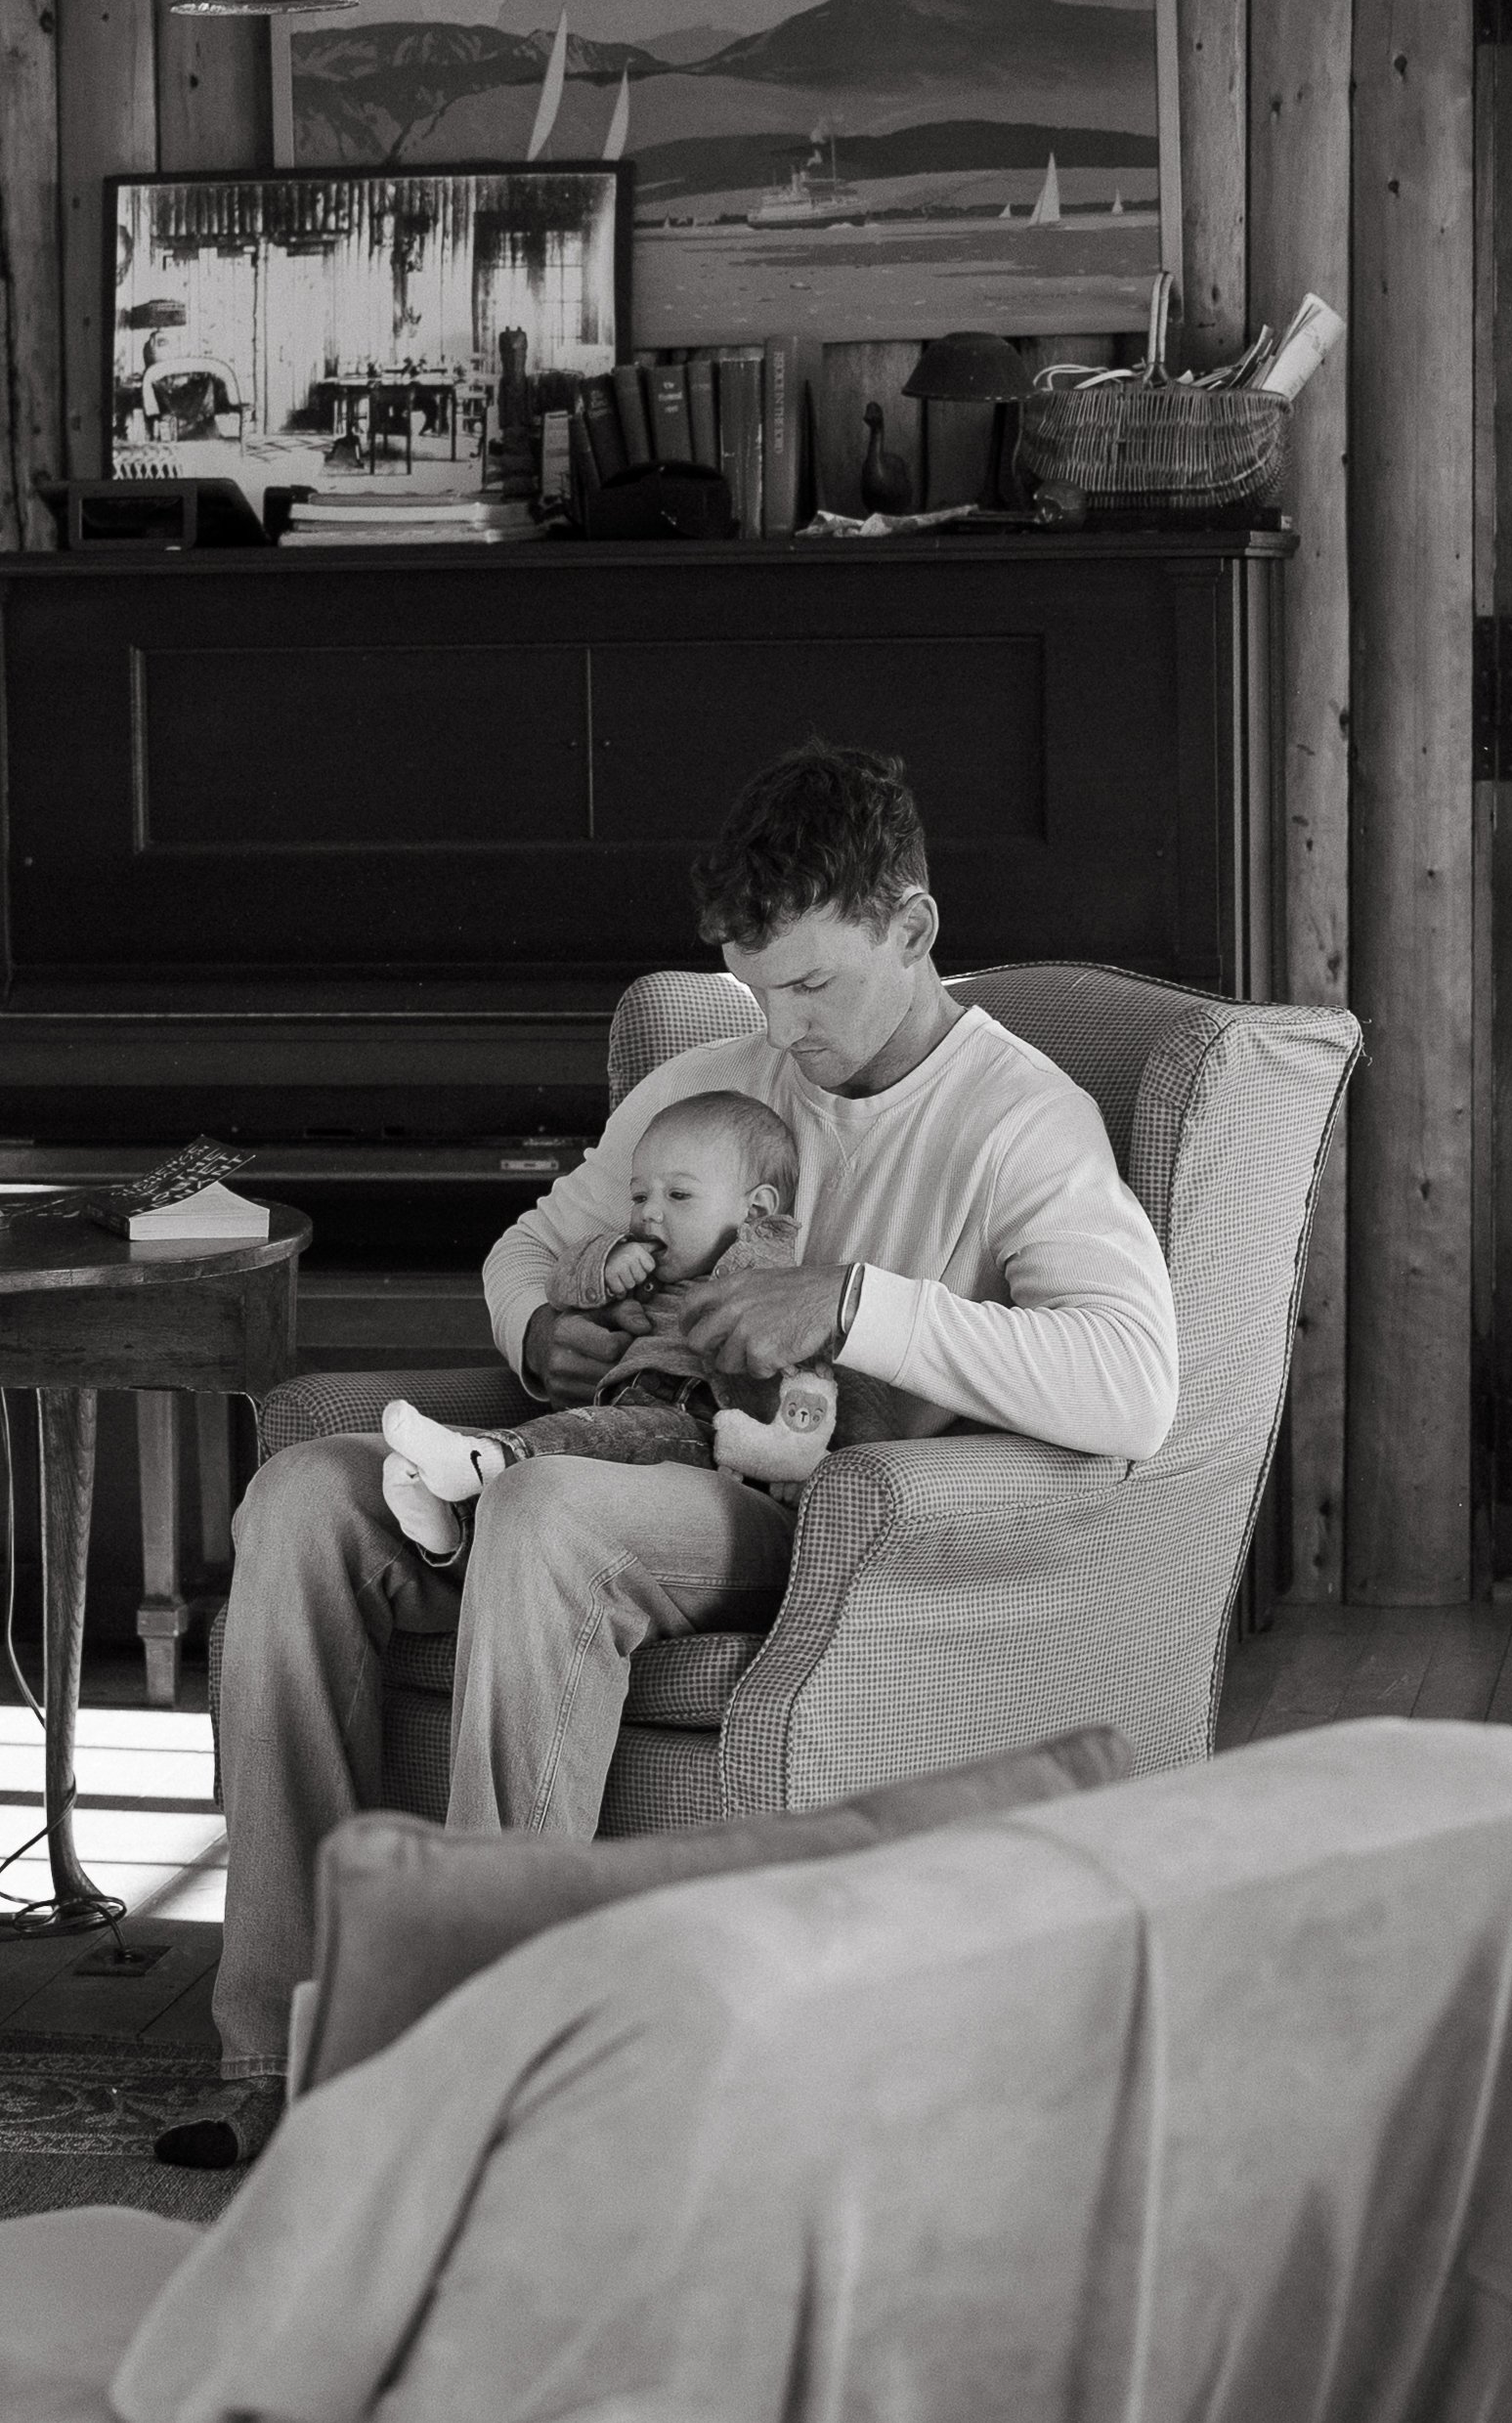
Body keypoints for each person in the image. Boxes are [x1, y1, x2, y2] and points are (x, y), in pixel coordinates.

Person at [171, 741, 1178, 2167]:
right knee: (298, 1498)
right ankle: (277, 2055)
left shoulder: (1020, 1122)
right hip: (610, 1439)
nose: (783, 1023)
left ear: (914, 928)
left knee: (550, 1512)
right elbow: (532, 1245)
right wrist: (540, 1336)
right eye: (756, 984)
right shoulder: (712, 1076)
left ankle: (487, 2070)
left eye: (814, 985)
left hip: (802, 1507)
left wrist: (851, 1303)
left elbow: (1137, 1386)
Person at [378, 1087, 842, 1534]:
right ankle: (453, 1526)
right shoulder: (642, 1267)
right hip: (619, 1408)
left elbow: (813, 1372)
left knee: (591, 1437)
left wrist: (797, 1454)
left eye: (678, 1196)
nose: (649, 1214)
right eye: (640, 1196)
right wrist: (605, 1259)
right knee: (574, 1453)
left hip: (698, 1430)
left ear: (756, 1211)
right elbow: (557, 1277)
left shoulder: (770, 1284)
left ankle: (482, 1458)